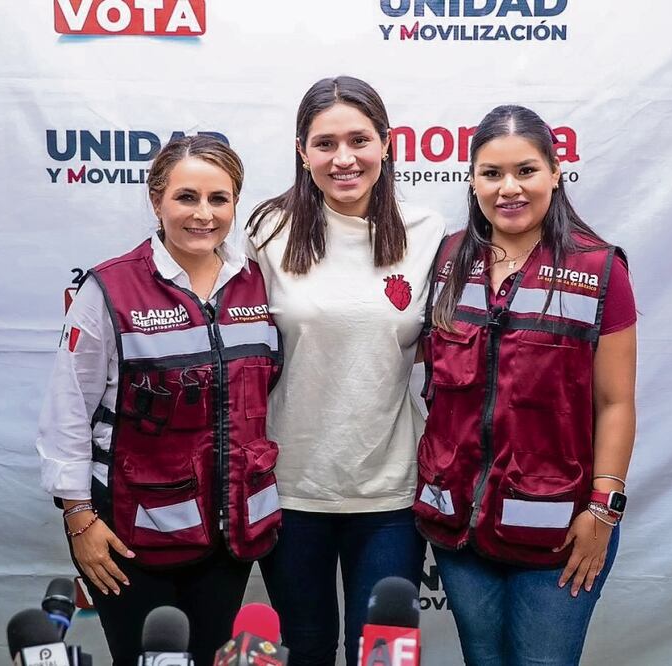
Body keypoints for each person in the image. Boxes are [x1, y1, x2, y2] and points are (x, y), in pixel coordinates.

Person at [36, 136, 282, 666]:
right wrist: (79, 517)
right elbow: (68, 411)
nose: (204, 214)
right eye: (186, 197)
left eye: (220, 199)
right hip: (129, 534)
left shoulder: (255, 283)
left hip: (229, 533)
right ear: (156, 200)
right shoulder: (110, 288)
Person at [415, 105, 637, 666]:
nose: (508, 188)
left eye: (526, 170)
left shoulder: (601, 270)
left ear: (555, 172)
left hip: (557, 530)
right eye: (491, 173)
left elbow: (616, 403)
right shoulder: (445, 261)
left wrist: (603, 511)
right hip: (458, 524)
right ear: (472, 180)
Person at [245, 75, 446, 666]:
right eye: (325, 143)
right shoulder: (266, 229)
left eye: (359, 139)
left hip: (390, 490)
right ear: (302, 153)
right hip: (292, 485)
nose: (344, 158)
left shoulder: (427, 232)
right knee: (304, 648)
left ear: (386, 144)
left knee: (382, 654)